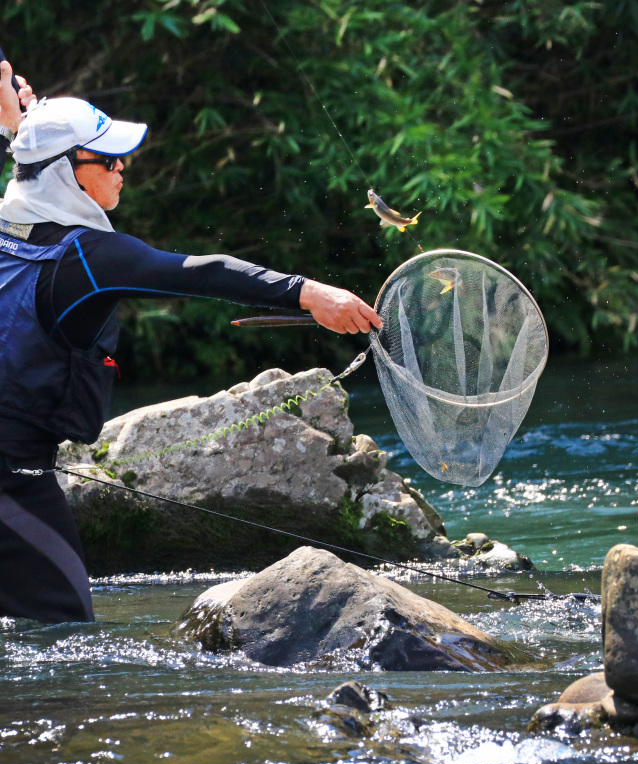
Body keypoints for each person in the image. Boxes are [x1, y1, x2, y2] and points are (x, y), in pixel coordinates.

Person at [0, 66, 382, 625]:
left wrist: (20, 129)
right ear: (67, 173)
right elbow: (201, 274)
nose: (121, 167)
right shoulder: (92, 260)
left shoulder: (16, 211)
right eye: (107, 159)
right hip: (14, 476)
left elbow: (32, 161)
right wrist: (308, 293)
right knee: (61, 627)